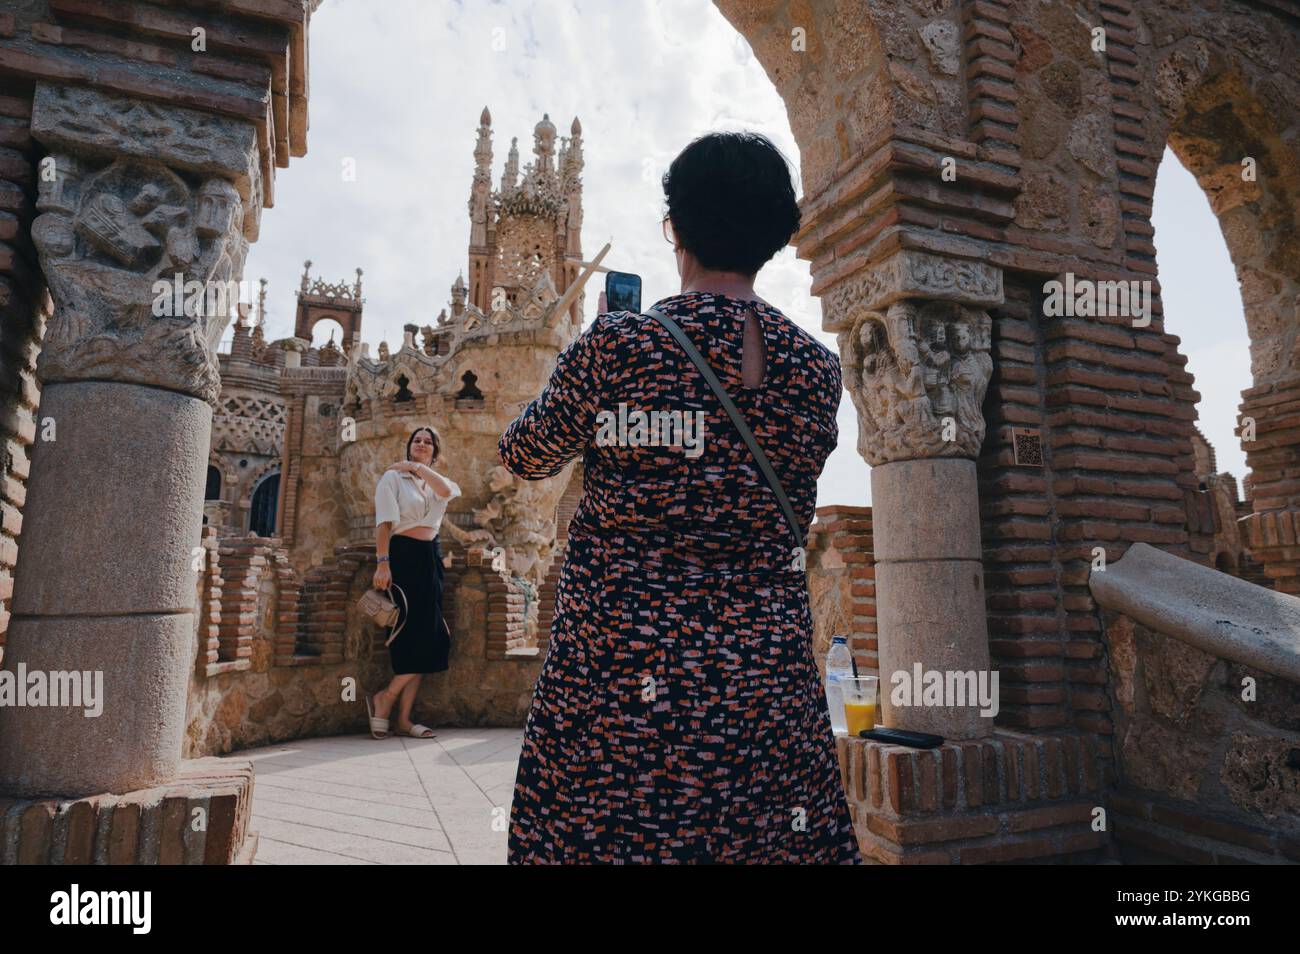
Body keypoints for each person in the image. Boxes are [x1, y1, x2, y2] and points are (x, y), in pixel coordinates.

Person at [500, 131, 863, 863]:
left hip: (619, 683)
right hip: (763, 683)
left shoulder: (622, 346)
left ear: (678, 230)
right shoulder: (819, 373)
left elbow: (525, 453)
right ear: (772, 237)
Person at [366, 426, 460, 740]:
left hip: (431, 556)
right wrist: (383, 563)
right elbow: (384, 523)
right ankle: (390, 704)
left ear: (435, 451)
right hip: (403, 555)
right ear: (409, 446)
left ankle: (399, 713)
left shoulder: (437, 483)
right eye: (417, 441)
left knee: (432, 636)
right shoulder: (392, 479)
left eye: (428, 442)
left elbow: (447, 492)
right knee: (409, 633)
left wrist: (416, 467)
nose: (421, 444)